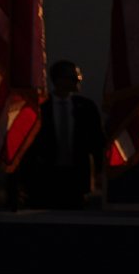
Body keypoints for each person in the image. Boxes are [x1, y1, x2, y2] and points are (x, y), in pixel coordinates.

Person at [21, 60, 105, 209]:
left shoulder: (86, 107)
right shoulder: (40, 107)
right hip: (46, 176)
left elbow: (97, 141)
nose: (78, 80)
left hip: (76, 175)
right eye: (73, 77)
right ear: (59, 80)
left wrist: (99, 170)